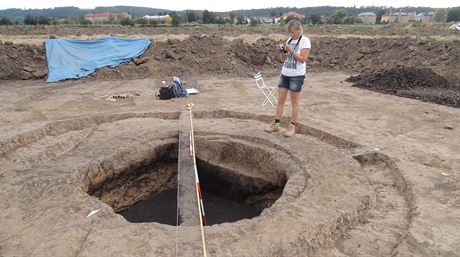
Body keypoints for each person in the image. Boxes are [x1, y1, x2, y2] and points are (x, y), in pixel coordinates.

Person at [265, 19, 311, 137]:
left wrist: (290, 50)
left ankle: (292, 126)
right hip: (285, 74)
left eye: (292, 32)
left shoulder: (305, 41)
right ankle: (276, 124)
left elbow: (302, 59)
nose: (290, 34)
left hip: (297, 76)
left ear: (298, 30)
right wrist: (281, 51)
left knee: (294, 102)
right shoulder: (290, 40)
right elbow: (283, 60)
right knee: (280, 100)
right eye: (289, 32)